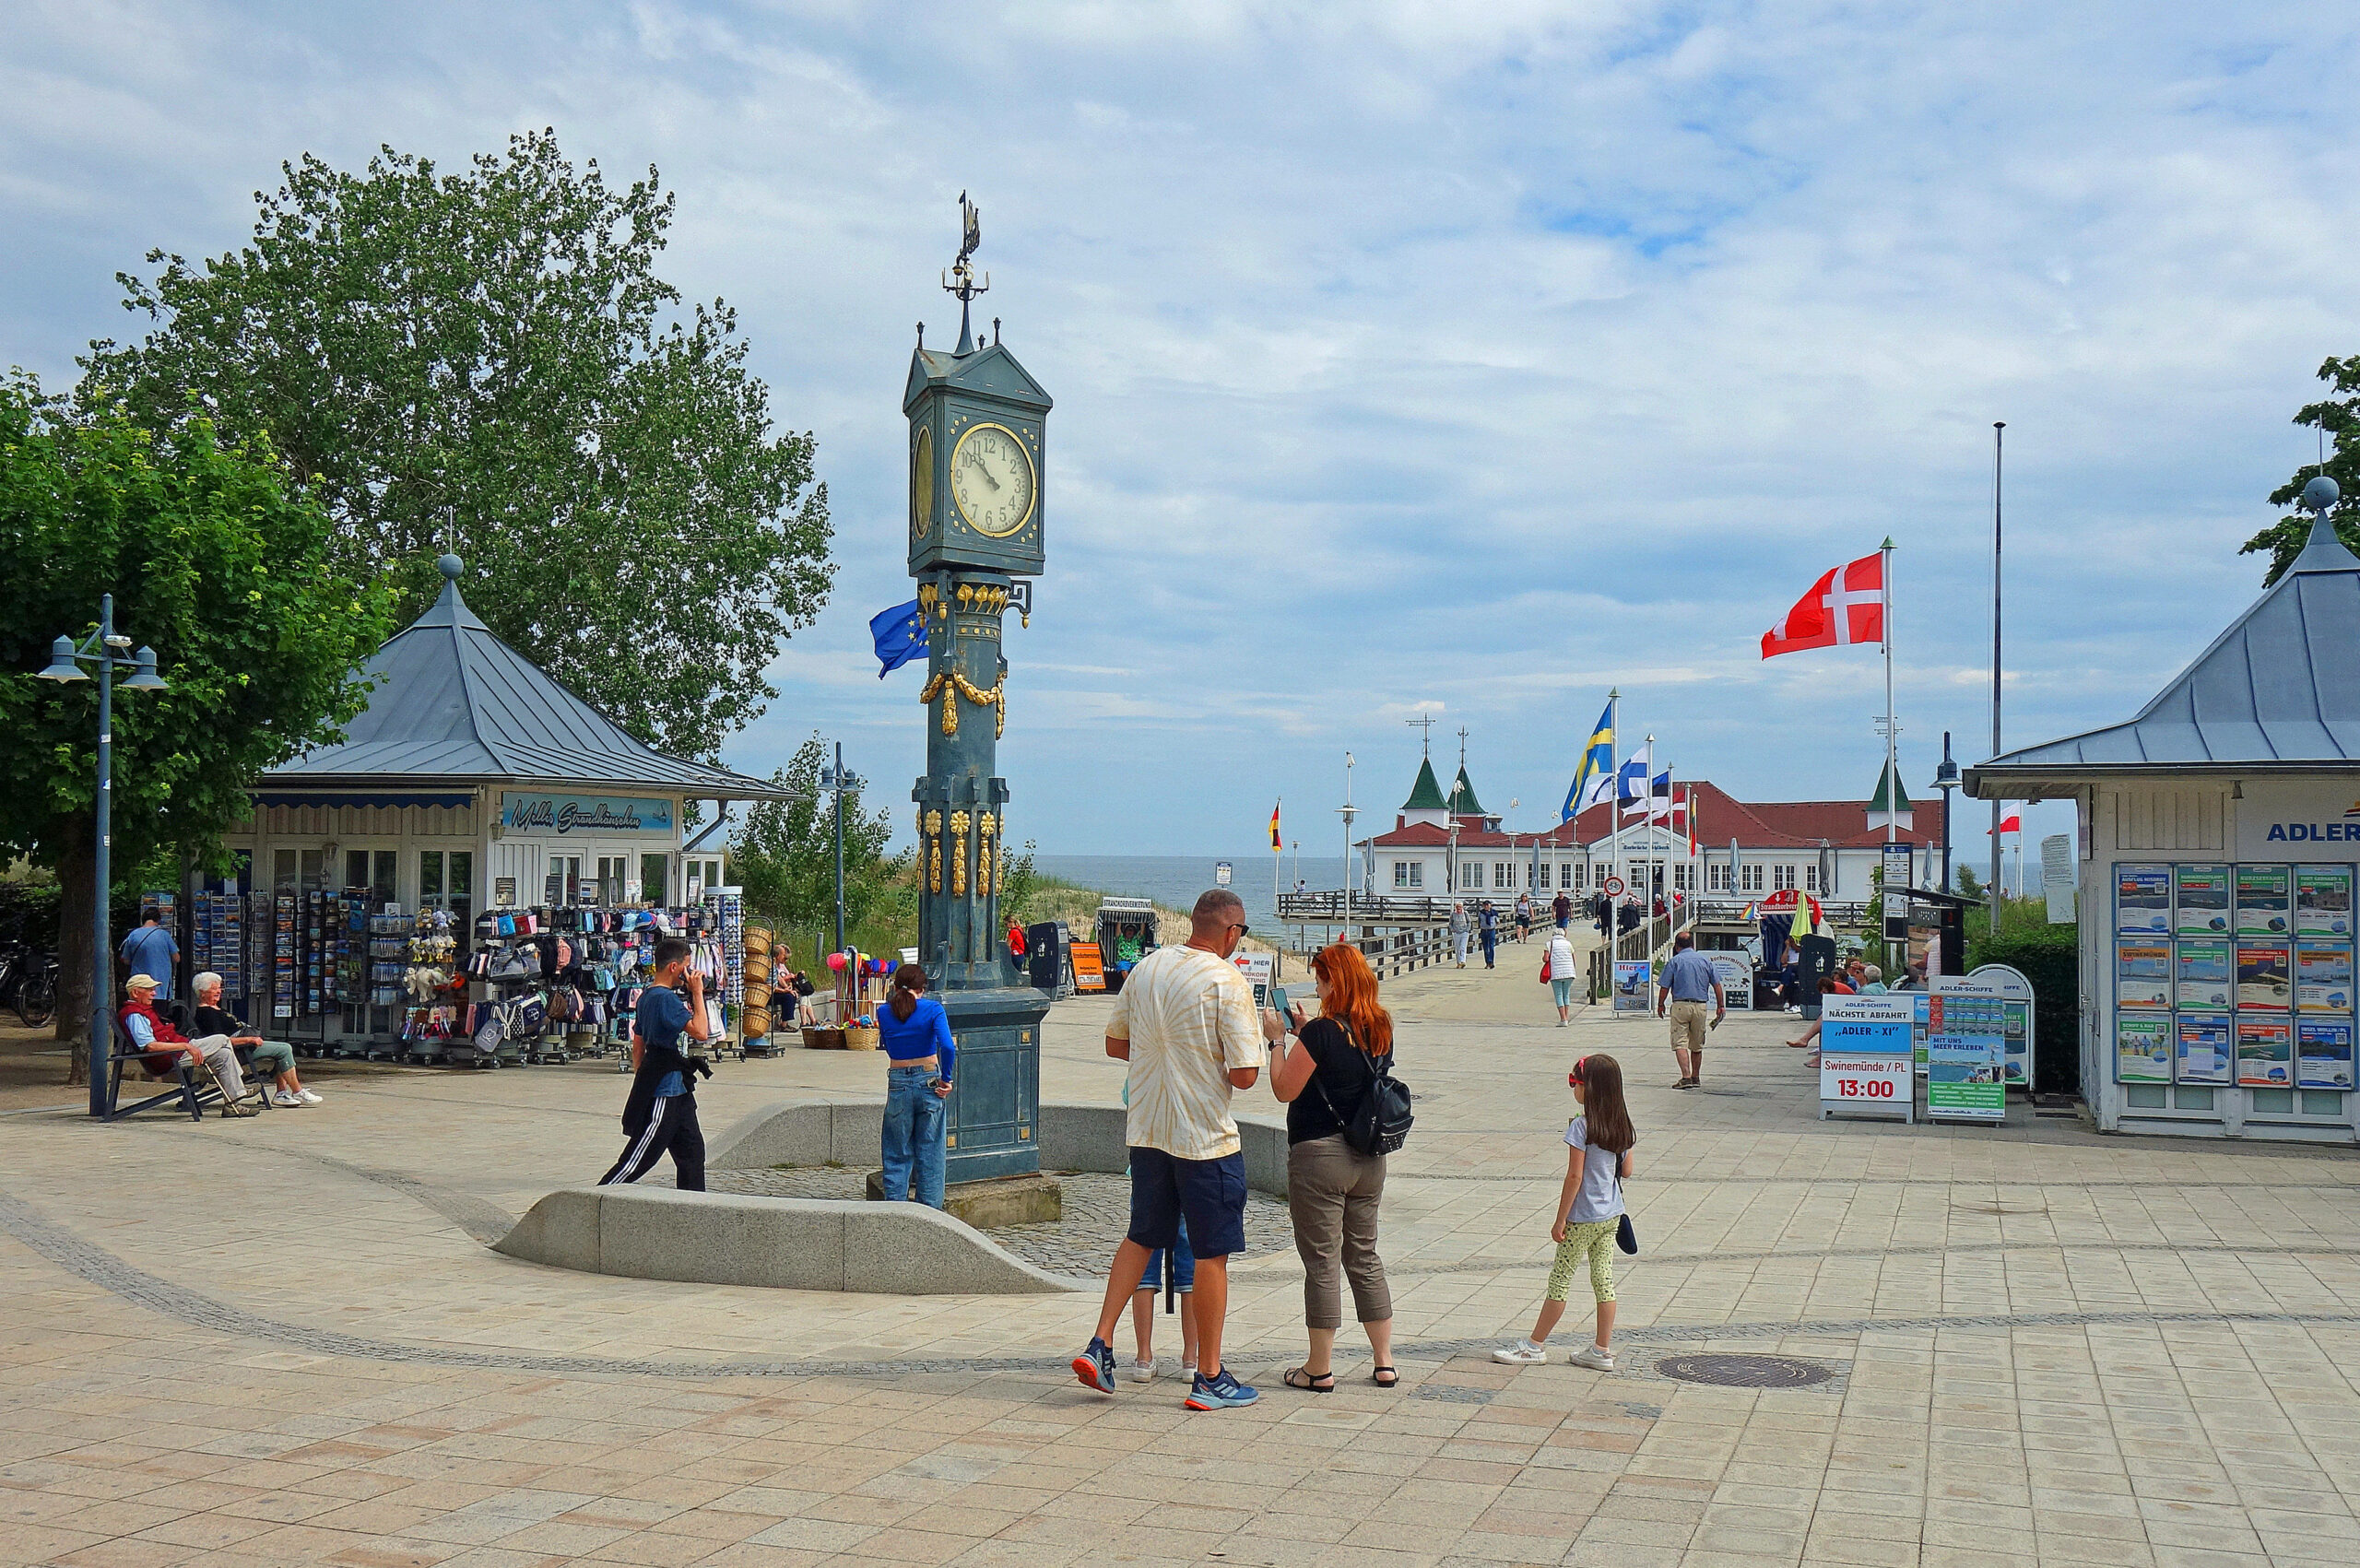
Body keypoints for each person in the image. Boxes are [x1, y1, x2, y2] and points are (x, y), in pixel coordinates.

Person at [1073, 890, 1265, 1410]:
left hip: (1148, 1132)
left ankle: (1102, 1343)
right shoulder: (1228, 981)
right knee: (1210, 1252)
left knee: (1141, 1236)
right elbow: (1245, 1076)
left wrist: (1168, 1052)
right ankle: (1208, 1374)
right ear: (1231, 933)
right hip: (1204, 1138)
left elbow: (1115, 1044)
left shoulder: (1148, 968)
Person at [1263, 943, 1397, 1393]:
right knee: (1364, 1257)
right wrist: (1306, 1032)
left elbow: (1284, 1087)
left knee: (1322, 1261)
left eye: (1320, 979)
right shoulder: (1379, 1027)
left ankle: (1318, 1368)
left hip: (1321, 1158)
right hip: (1369, 1158)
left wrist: (1279, 1040)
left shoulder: (1322, 1032)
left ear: (1333, 982)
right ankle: (1384, 1361)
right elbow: (1344, 1070)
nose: (1317, 986)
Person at [1493, 1053, 1636, 1370]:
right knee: (1604, 1280)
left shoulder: (1581, 1128)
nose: (1574, 1088)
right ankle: (1601, 1349)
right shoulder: (1622, 1124)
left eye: (1575, 1082)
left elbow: (1574, 1177)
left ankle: (1535, 1346)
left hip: (1582, 1217)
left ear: (1589, 1089)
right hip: (1611, 1214)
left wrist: (1560, 1219)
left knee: (1560, 1280)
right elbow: (1626, 1171)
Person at [598, 937, 712, 1190]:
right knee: (639, 1158)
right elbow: (702, 1032)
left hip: (677, 1088)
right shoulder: (665, 999)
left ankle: (693, 1207)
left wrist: (642, 1077)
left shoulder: (646, 996)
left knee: (692, 1153)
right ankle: (593, 1199)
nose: (689, 973)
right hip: (666, 1089)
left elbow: (637, 1043)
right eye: (687, 967)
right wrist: (697, 992)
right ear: (674, 968)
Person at [877, 962, 955, 1208]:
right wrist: (946, 1079)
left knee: (896, 1153)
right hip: (929, 1081)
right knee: (930, 1152)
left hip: (898, 1082)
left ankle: (895, 1212)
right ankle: (930, 1215)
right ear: (922, 988)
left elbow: (888, 1046)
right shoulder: (933, 1009)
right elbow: (948, 1047)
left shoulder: (883, 1012)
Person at [118, 974, 256, 1112]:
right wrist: (185, 1046)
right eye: (149, 990)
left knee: (224, 1054)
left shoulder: (144, 1010)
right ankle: (239, 1087)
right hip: (168, 1056)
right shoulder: (134, 1015)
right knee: (221, 1039)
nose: (154, 993)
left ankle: (233, 1106)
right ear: (136, 992)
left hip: (176, 1052)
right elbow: (150, 1046)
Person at [190, 972, 320, 1106]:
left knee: (281, 1049)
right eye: (213, 989)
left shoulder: (215, 1008)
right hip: (239, 1051)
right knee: (284, 1049)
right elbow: (220, 1040)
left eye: (219, 988)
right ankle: (297, 1091)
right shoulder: (206, 1014)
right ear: (202, 992)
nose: (218, 991)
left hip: (244, 1047)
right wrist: (249, 1040)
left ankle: (282, 1093)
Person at [1127, 1220, 1199, 1383]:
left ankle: (1143, 1358)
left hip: (1149, 1194)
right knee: (1190, 1263)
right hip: (1190, 1193)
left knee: (1144, 1254)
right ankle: (1190, 1359)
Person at [1656, 932, 1726, 1090]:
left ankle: (1686, 1077)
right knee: (1697, 1044)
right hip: (1701, 1006)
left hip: (1680, 1005)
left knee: (1680, 1042)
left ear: (1677, 946)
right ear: (1693, 945)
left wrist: (1661, 1005)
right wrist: (1721, 1006)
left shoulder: (1675, 961)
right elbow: (1717, 985)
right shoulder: (1705, 961)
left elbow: (1665, 986)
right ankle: (1696, 1077)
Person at [120, 907, 179, 1002]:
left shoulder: (133, 935)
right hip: (160, 986)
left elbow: (126, 960)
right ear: (158, 920)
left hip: (139, 986)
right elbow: (176, 958)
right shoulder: (164, 935)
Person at [1546, 925, 1579, 1025]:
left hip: (1556, 973)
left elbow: (1546, 959)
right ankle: (1567, 1017)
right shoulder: (1568, 944)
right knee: (1566, 995)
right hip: (1569, 972)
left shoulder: (1549, 944)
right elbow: (1573, 958)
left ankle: (1563, 1019)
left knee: (1559, 995)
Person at [1448, 902, 1470, 968]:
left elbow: (1469, 922)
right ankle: (1459, 963)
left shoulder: (1465, 913)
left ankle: (1463, 961)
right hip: (1456, 933)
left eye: (1460, 907)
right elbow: (1450, 923)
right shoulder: (1453, 914)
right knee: (1457, 948)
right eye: (1457, 907)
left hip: (1464, 932)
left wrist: (1467, 930)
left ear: (1462, 907)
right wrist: (1452, 930)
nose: (1459, 908)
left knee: (1462, 947)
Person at [1479, 901, 1499, 969]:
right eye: (1485, 905)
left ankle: (1491, 962)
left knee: (1491, 947)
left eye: (1488, 905)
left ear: (1490, 905)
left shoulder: (1494, 913)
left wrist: (1496, 923)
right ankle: (1487, 962)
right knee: (1485, 948)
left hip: (1491, 930)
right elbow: (1479, 921)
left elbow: (1498, 921)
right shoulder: (1481, 913)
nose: (1486, 906)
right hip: (1484, 931)